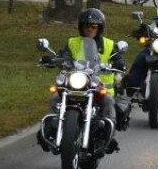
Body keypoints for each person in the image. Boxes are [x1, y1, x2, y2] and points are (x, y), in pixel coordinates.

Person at [38, 9, 123, 152]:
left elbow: (117, 58)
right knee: (54, 98)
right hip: (76, 83)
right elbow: (64, 56)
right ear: (81, 27)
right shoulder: (73, 42)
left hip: (98, 85)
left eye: (94, 26)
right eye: (87, 26)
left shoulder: (108, 44)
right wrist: (53, 59)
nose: (90, 29)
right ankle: (47, 131)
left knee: (108, 101)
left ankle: (109, 137)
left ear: (99, 28)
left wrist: (119, 63)